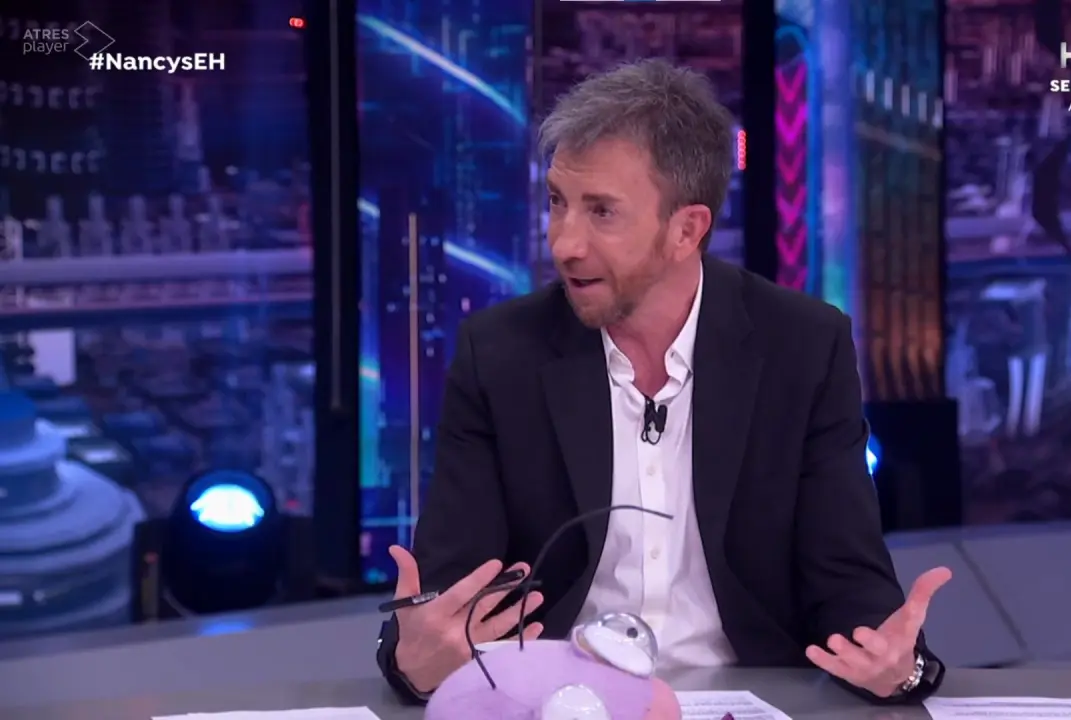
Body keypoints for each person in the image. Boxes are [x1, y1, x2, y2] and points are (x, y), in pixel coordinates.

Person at [376, 59, 952, 705]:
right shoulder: (500, 355)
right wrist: (410, 664)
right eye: (558, 203)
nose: (564, 243)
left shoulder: (802, 347)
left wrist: (898, 668)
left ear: (687, 230)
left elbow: (849, 587)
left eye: (602, 212)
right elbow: (446, 606)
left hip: (748, 705)